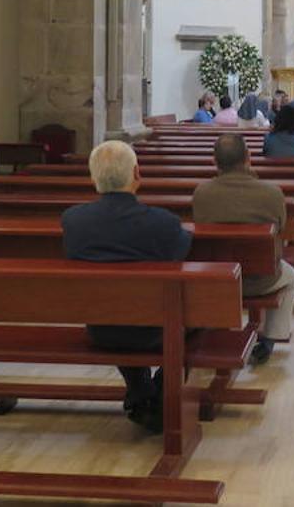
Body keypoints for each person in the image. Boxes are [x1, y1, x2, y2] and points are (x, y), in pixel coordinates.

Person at [61, 141, 192, 432]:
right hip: (157, 330)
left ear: (92, 178)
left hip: (100, 327)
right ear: (137, 173)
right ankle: (159, 394)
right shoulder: (163, 223)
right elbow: (181, 253)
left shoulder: (73, 221)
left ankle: (141, 392)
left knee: (120, 307)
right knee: (198, 310)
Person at [192, 135, 294, 364]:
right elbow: (280, 227)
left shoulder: (202, 193)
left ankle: (213, 334)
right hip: (262, 280)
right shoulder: (271, 193)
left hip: (217, 279)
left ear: (215, 161)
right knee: (291, 277)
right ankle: (269, 340)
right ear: (249, 158)